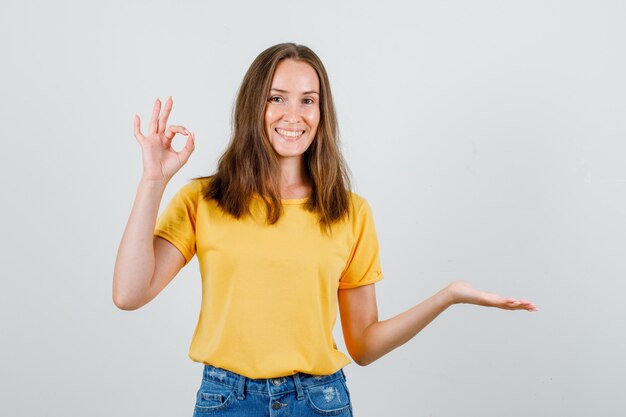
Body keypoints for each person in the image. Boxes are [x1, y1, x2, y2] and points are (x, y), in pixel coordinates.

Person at [113, 42, 537, 417]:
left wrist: (449, 296)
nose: (292, 115)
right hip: (227, 401)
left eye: (307, 100)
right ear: (252, 106)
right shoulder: (205, 200)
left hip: (319, 402)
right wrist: (154, 181)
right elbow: (129, 294)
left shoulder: (349, 212)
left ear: (321, 111)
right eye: (276, 98)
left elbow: (364, 346)